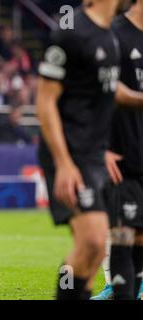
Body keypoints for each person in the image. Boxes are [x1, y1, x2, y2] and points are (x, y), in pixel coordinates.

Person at [37, 0, 123, 299]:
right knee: (92, 242)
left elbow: (106, 100)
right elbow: (45, 101)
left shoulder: (110, 36)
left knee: (95, 248)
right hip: (69, 153)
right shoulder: (71, 33)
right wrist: (63, 163)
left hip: (94, 155)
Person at [91, 0, 143, 300]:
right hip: (123, 153)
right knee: (122, 231)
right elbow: (103, 92)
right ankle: (118, 285)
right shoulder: (114, 34)